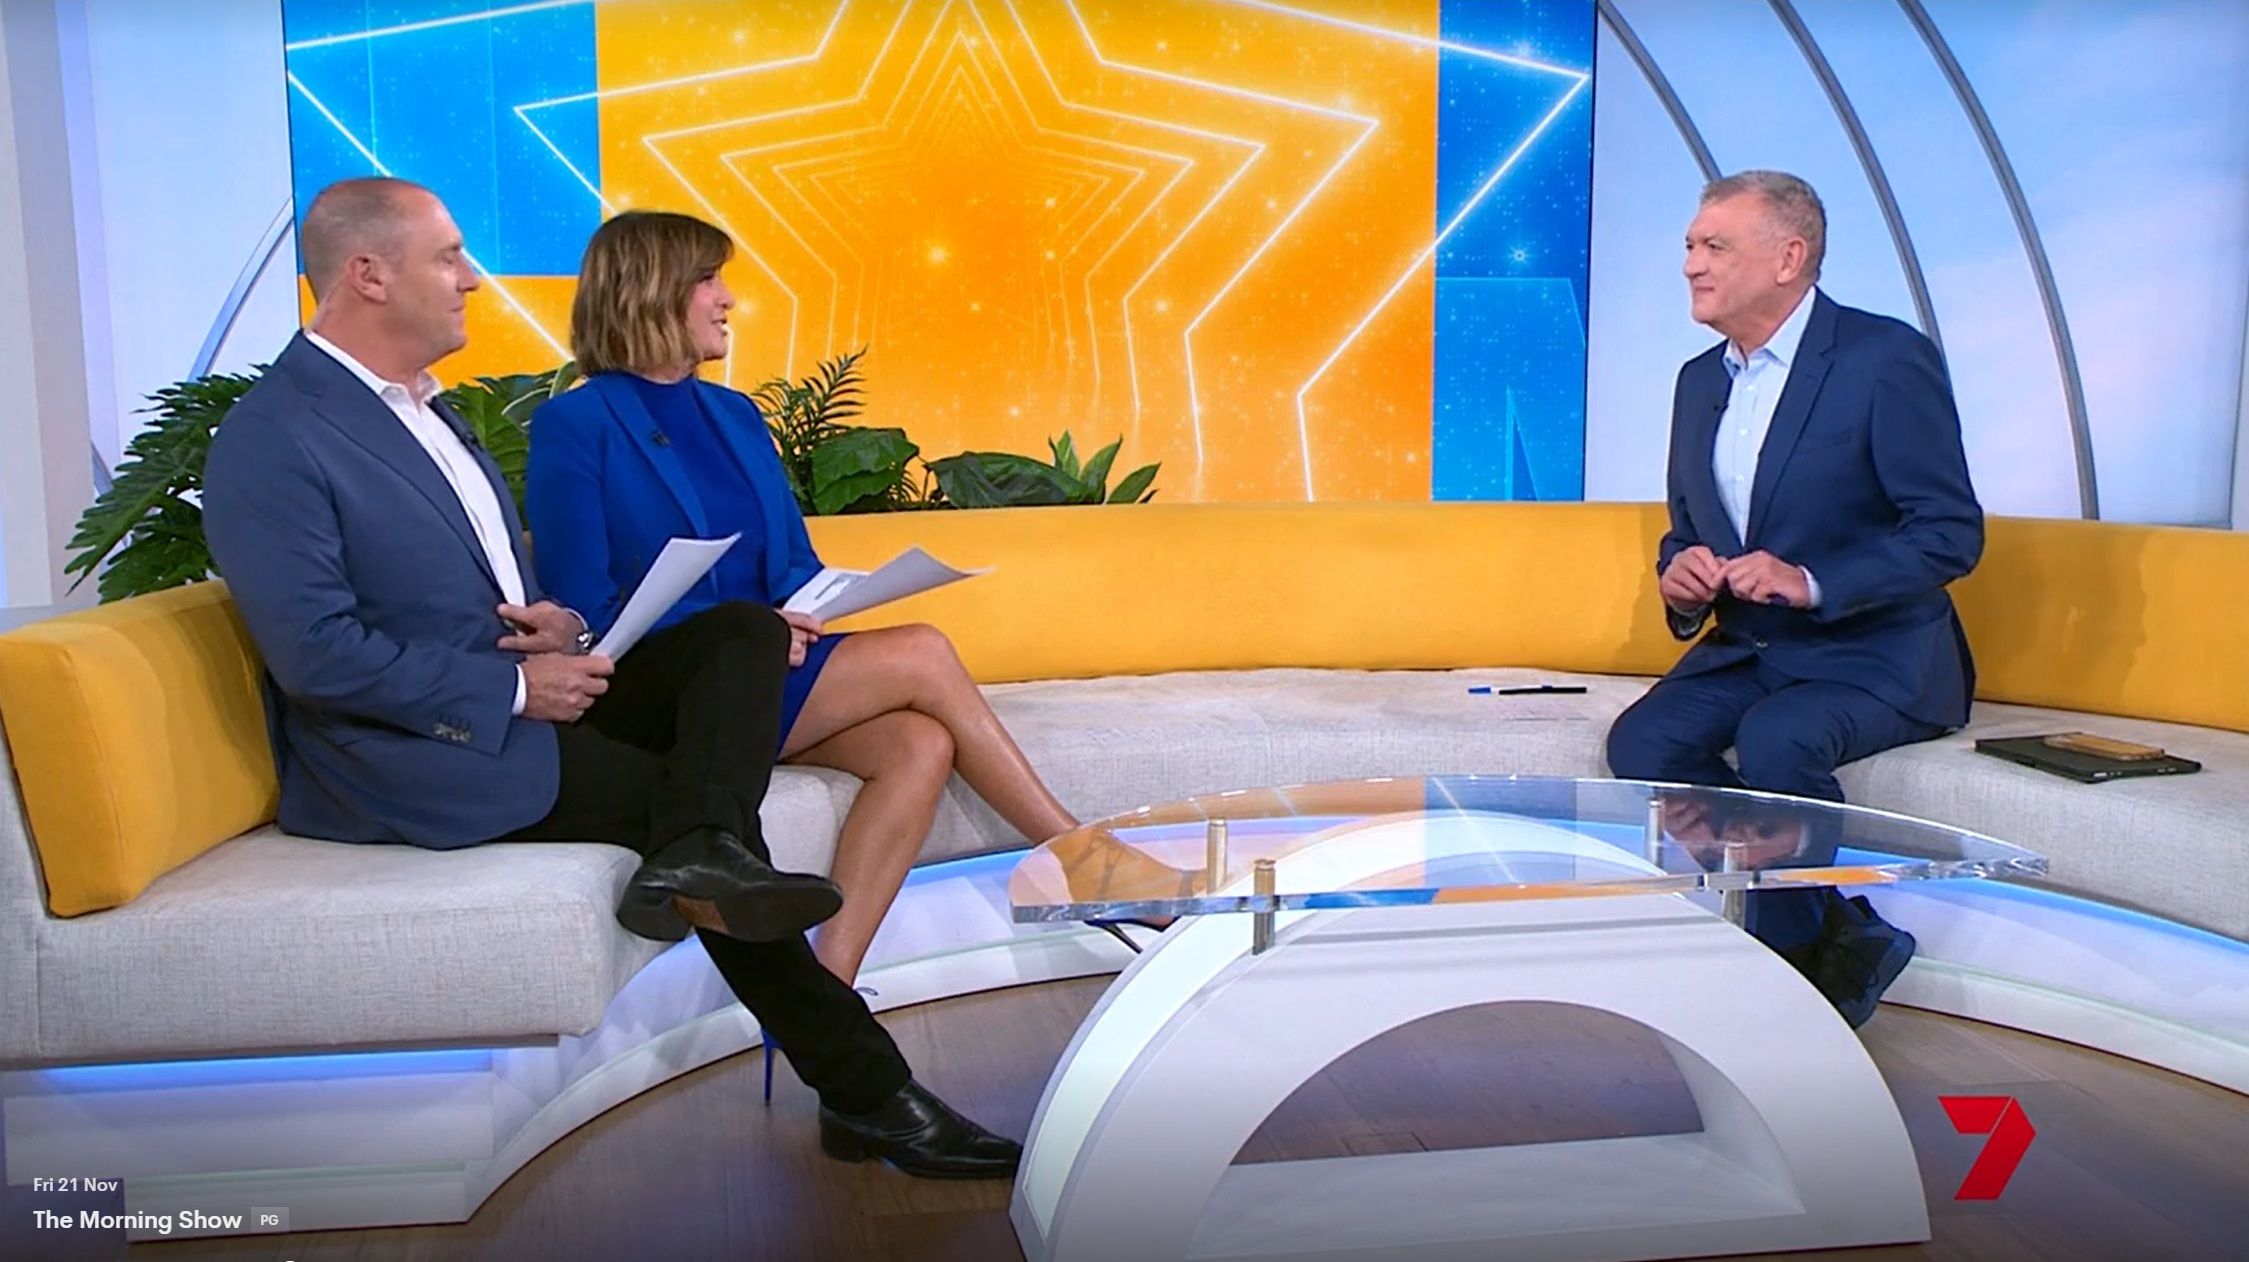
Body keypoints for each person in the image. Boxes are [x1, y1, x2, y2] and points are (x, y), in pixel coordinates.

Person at [202, 176, 1020, 1178]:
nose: (471, 278)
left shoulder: (426, 413)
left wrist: (557, 627)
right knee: (704, 830)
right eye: (448, 257)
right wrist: (515, 690)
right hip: (421, 755)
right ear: (368, 275)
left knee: (739, 635)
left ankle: (732, 885)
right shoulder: (276, 435)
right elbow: (317, 653)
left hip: (525, 710)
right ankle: (874, 1096)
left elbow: (477, 595)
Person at [526, 210, 1085, 985]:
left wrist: (815, 604)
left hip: (769, 663)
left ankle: (831, 985)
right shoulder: (576, 423)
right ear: (651, 290)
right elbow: (585, 602)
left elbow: (792, 564)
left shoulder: (734, 415)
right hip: (667, 686)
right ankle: (1081, 859)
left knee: (917, 745)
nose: (727, 299)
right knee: (922, 651)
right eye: (708, 280)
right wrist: (756, 630)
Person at [1604, 170, 1984, 1028]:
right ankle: (1836, 932)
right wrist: (1680, 576)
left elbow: (1948, 533)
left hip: (1873, 651)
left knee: (1778, 741)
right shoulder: (1697, 381)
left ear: (1788, 258)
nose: (1690, 265)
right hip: (1751, 646)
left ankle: (1779, 990)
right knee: (1644, 742)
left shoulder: (1882, 360)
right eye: (1689, 246)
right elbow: (1687, 528)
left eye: (1713, 246)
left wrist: (1809, 582)